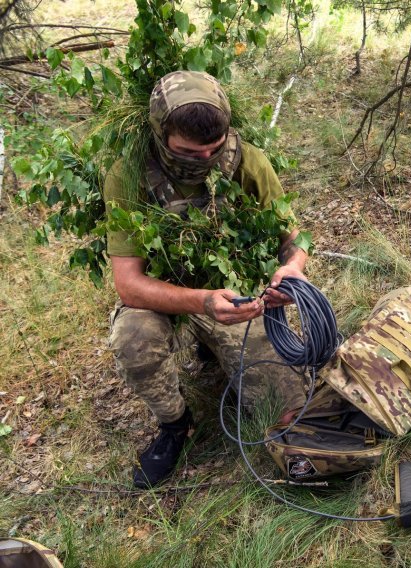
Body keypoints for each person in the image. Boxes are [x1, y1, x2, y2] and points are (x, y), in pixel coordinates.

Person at [103, 70, 309, 489]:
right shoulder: (128, 174)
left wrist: (292, 268)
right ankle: (176, 424)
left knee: (288, 408)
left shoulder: (246, 160)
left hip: (237, 297)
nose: (203, 161)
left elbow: (295, 238)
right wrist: (201, 301)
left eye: (213, 151)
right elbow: (129, 284)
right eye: (187, 153)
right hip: (169, 300)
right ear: (160, 133)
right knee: (133, 338)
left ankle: (222, 354)